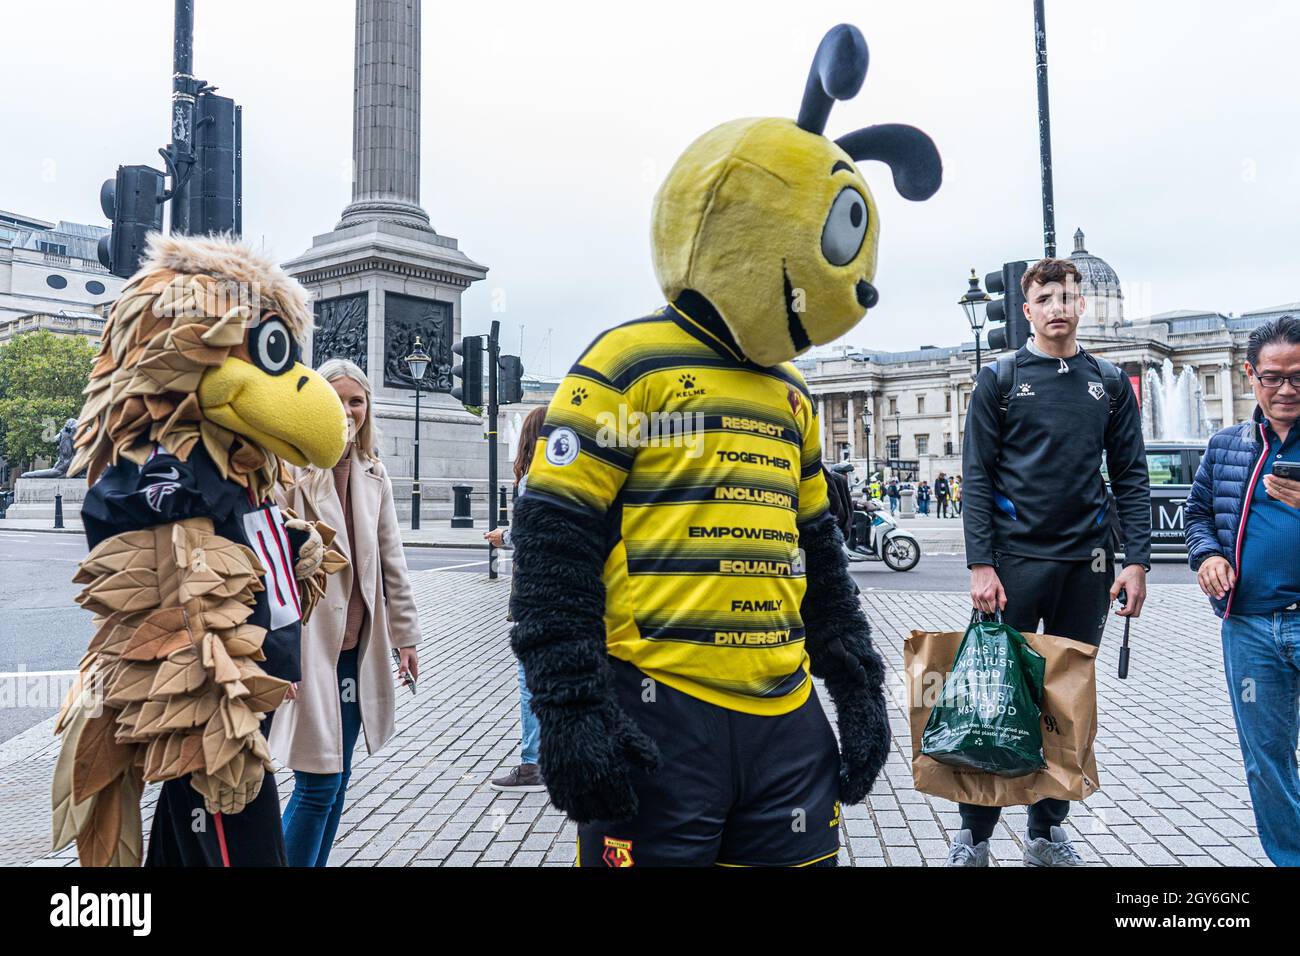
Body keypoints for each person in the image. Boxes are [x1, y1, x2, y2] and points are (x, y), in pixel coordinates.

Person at [956, 256, 1151, 867]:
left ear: (1082, 304)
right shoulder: (1002, 379)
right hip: (1014, 564)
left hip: (1087, 566)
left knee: (1066, 704)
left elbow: (1131, 476)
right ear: (1027, 309)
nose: (1059, 307)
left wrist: (1137, 560)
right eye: (1046, 298)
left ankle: (1047, 829)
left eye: (1069, 296)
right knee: (993, 698)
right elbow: (977, 476)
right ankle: (976, 834)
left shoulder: (1111, 382)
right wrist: (980, 564)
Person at [272, 359, 422, 867]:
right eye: (334, 399)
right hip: (308, 646)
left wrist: (406, 637)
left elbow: (391, 561)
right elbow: (267, 566)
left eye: (356, 400)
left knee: (338, 786)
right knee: (318, 784)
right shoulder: (290, 472)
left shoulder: (372, 472)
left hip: (357, 651)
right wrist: (277, 655)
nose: (346, 410)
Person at [1184, 315, 1300, 866]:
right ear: (1250, 375)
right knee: (1266, 758)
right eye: (1273, 377)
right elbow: (1198, 514)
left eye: (1298, 376)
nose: (1286, 389)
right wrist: (1206, 555)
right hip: (1251, 626)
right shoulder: (1226, 445)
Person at [486, 405, 548, 792]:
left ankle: (532, 763)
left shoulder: (532, 481)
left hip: (534, 593)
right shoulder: (570, 478)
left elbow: (528, 534)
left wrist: (502, 537)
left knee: (530, 679)